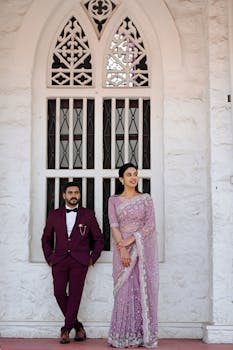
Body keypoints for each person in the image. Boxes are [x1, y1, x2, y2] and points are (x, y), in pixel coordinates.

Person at [41, 181, 104, 344]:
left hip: (80, 261)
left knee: (75, 296)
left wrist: (92, 258)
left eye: (76, 192)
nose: (74, 195)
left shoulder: (88, 214)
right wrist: (49, 257)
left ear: (79, 195)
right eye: (70, 192)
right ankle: (78, 326)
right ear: (64, 195)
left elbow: (98, 238)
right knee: (59, 292)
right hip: (59, 260)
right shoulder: (54, 214)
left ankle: (66, 330)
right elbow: (46, 238)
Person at [108, 163, 159, 348]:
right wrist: (122, 249)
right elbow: (114, 225)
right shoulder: (113, 200)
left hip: (141, 250)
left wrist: (130, 241)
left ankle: (139, 336)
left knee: (140, 290)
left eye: (135, 174)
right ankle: (122, 336)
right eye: (128, 174)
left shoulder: (146, 199)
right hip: (121, 250)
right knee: (123, 291)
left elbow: (150, 225)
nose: (133, 177)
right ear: (121, 179)